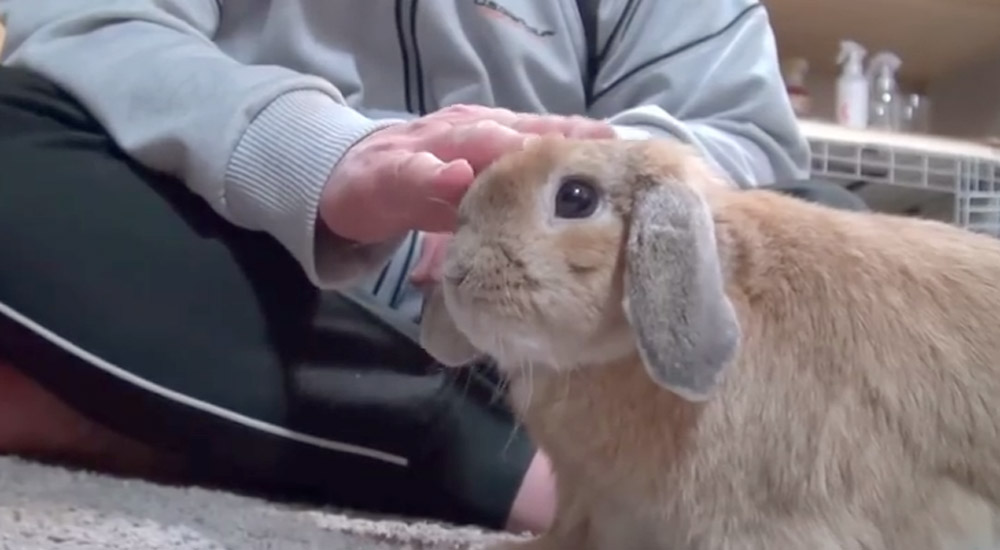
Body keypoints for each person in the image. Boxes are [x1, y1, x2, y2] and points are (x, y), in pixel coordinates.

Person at [0, 0, 858, 534]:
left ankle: (144, 405)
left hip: (575, 333)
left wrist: (556, 185)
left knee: (830, 233)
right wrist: (320, 159)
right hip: (241, 247)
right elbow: (94, 26)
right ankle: (528, 463)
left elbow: (741, 131)